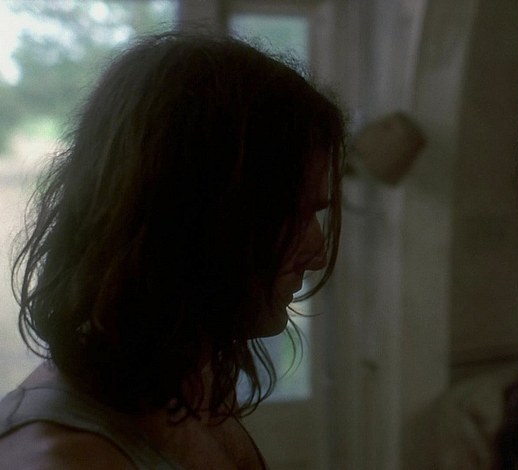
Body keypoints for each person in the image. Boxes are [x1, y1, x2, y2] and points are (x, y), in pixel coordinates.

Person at [0, 31, 346, 469]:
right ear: (195, 216)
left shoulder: (190, 386)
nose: (317, 255)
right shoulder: (62, 458)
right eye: (291, 215)